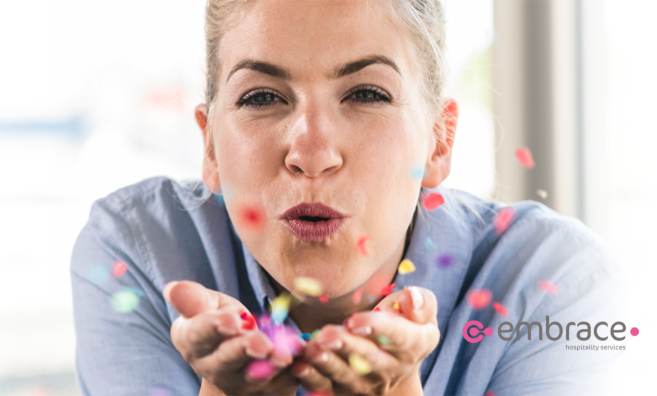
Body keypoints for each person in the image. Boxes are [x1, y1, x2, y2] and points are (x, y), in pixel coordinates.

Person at [70, 1, 628, 395]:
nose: (312, 153)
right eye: (262, 96)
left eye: (365, 93)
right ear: (210, 145)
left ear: (439, 141)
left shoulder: (557, 283)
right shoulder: (136, 253)